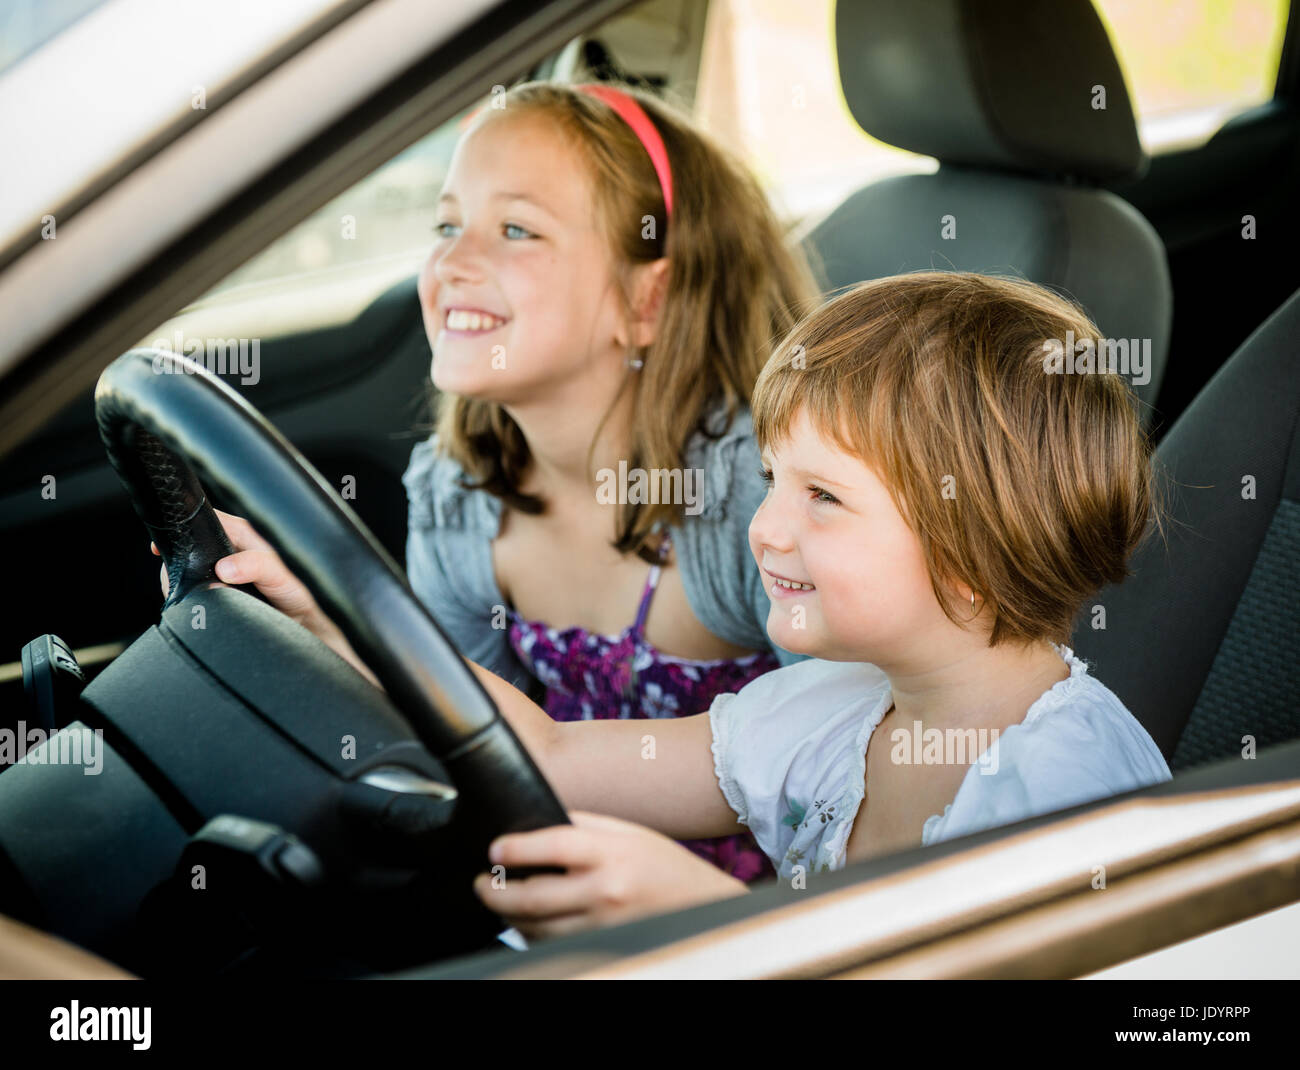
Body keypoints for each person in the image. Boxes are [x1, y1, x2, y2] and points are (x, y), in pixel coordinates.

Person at [177, 272, 1173, 941]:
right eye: (773, 479)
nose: (764, 527)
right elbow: (555, 756)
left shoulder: (1072, 793)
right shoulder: (834, 707)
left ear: (970, 556)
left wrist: (715, 916)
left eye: (821, 497)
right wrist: (327, 609)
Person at [158, 80, 822, 885]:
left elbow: (847, 770)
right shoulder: (460, 499)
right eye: (446, 224)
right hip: (549, 872)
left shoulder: (753, 500)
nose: (452, 261)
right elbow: (468, 739)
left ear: (647, 298)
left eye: (516, 229)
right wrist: (329, 618)